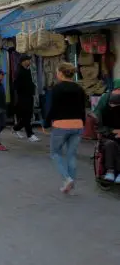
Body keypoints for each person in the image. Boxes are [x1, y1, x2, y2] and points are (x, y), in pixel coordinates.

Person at [46, 62, 86, 193]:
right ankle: (70, 184)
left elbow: (53, 108)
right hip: (78, 124)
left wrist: (46, 122)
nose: (57, 74)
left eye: (57, 72)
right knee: (71, 154)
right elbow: (82, 108)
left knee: (54, 153)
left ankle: (67, 178)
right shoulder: (79, 89)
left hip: (61, 125)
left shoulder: (57, 89)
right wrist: (83, 122)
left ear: (61, 73)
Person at [13, 55, 39, 142]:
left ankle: (16, 128)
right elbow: (16, 85)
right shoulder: (19, 72)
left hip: (28, 96)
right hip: (23, 97)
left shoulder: (26, 70)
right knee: (26, 116)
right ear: (23, 61)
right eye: (28, 60)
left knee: (27, 116)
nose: (30, 62)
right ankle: (30, 134)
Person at [100, 93, 120, 182]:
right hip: (109, 137)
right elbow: (101, 128)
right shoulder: (105, 112)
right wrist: (112, 130)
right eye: (111, 104)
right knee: (110, 144)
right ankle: (110, 171)